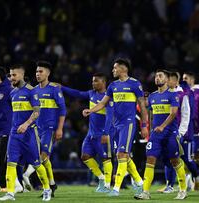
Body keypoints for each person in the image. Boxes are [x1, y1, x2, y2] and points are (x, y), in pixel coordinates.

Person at [83, 58, 148, 196]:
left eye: (115, 68)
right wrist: (91, 110)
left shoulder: (135, 84)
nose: (113, 70)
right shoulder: (113, 86)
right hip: (115, 125)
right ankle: (139, 182)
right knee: (124, 155)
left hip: (128, 124)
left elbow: (142, 106)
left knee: (121, 154)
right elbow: (102, 103)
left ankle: (116, 188)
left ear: (124, 68)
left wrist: (143, 125)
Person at [0, 64, 51, 201]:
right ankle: (10, 193)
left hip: (29, 134)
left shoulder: (31, 91)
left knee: (37, 163)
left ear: (21, 75)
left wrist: (26, 124)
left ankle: (47, 189)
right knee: (11, 162)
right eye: (10, 75)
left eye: (14, 75)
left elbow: (37, 111)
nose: (11, 78)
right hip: (14, 134)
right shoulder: (13, 93)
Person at [134, 69, 187, 200]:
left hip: (170, 133)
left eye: (160, 76)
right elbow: (149, 113)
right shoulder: (152, 96)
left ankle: (183, 190)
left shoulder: (173, 95)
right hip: (156, 134)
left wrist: (162, 126)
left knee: (175, 161)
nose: (157, 78)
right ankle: (145, 192)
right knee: (150, 160)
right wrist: (147, 127)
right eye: (156, 76)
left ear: (167, 80)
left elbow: (174, 113)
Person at [61, 73, 113, 192]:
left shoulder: (109, 97)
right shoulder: (91, 93)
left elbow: (110, 117)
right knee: (85, 157)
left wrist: (106, 133)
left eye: (96, 81)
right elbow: (78, 93)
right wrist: (62, 88)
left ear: (103, 82)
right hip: (91, 134)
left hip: (102, 134)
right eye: (92, 81)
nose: (93, 83)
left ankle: (107, 185)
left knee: (106, 159)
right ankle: (101, 178)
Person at [24, 61, 66, 197]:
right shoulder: (34, 90)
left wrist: (60, 128)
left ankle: (26, 175)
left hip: (50, 128)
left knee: (42, 155)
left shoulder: (54, 88)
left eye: (41, 71)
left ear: (48, 73)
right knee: (45, 157)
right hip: (36, 128)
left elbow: (63, 110)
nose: (38, 74)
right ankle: (52, 184)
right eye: (36, 71)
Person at [182, 72, 199, 181]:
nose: (184, 80)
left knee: (196, 156)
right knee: (185, 156)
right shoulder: (182, 93)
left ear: (192, 79)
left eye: (186, 78)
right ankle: (189, 182)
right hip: (185, 130)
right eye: (183, 78)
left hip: (196, 130)